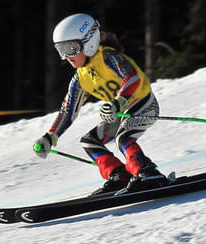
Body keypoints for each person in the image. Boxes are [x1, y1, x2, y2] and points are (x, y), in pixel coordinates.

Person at [34, 13, 167, 193]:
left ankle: (147, 172)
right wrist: (50, 136)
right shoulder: (80, 78)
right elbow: (68, 110)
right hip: (118, 113)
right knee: (89, 141)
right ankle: (119, 176)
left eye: (71, 48)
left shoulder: (108, 57)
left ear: (88, 43)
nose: (67, 56)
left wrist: (119, 102)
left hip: (144, 105)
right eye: (61, 50)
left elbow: (132, 77)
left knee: (123, 137)